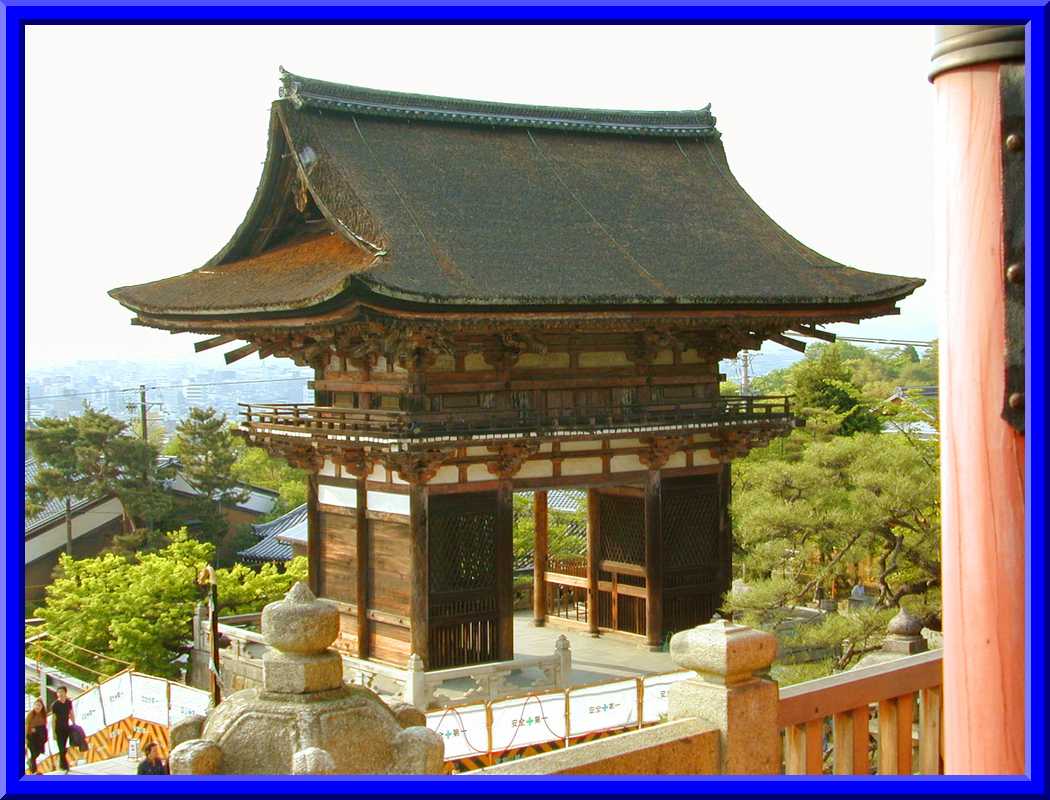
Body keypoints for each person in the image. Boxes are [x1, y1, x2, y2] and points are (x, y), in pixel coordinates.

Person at [50, 686, 75, 773]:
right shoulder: (55, 705)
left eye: (62, 692)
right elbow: (53, 720)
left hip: (66, 728)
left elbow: (71, 713)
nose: (60, 694)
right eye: (58, 692)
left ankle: (61, 764)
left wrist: (74, 723)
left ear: (65, 693)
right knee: (61, 748)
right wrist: (53, 732)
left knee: (64, 748)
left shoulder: (69, 702)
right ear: (57, 694)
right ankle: (65, 766)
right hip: (58, 729)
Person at [25, 698, 48, 774]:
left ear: (42, 707)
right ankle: (33, 770)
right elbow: (26, 726)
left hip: (40, 736)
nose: (38, 707)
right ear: (34, 706)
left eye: (39, 705)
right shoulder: (30, 714)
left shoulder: (43, 714)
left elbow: (45, 725)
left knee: (38, 753)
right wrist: (25, 737)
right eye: (36, 705)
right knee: (34, 752)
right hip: (32, 736)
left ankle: (31, 763)